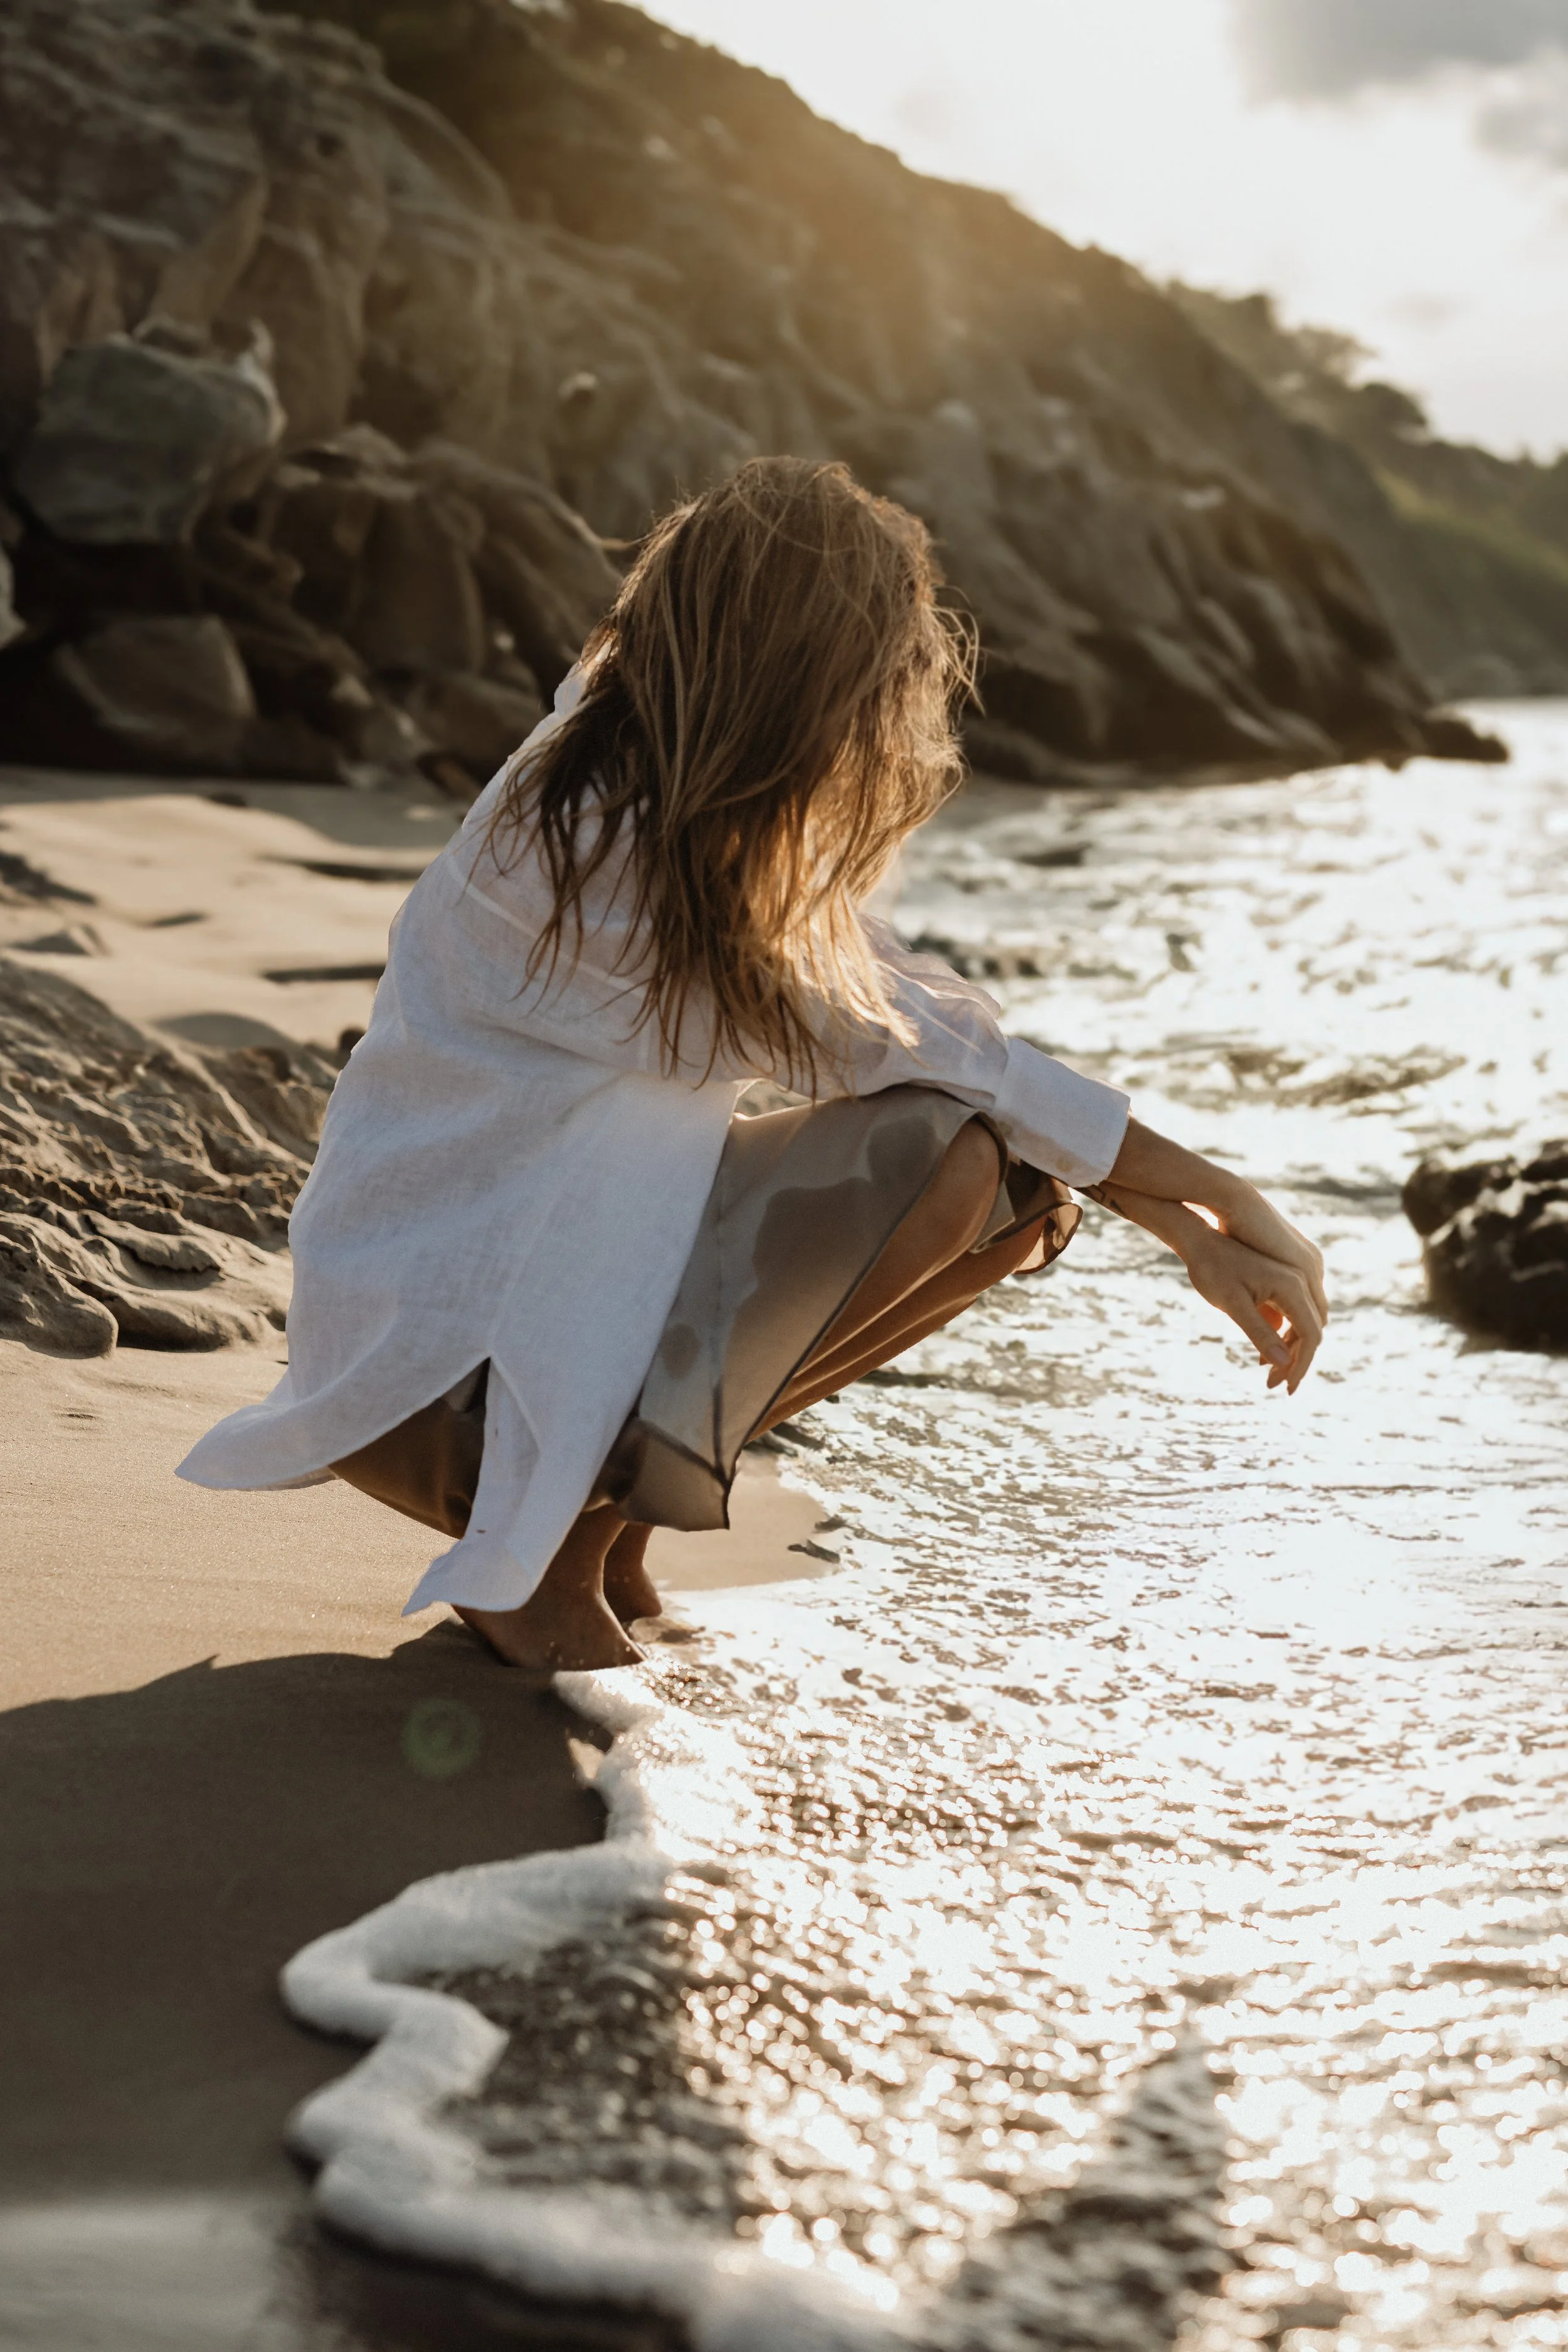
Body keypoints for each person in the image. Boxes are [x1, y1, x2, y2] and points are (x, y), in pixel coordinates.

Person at [179, 458, 1326, 1672]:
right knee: (939, 1155)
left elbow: (904, 1005)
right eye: (876, 671)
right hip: (431, 1370)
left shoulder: (638, 781)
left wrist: (1180, 1216)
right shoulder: (587, 848)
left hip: (502, 1310)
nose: (891, 703)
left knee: (1015, 1196)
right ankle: (543, 1557)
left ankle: (611, 1518)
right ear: (796, 673)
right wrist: (1212, 1203)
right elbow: (894, 1041)